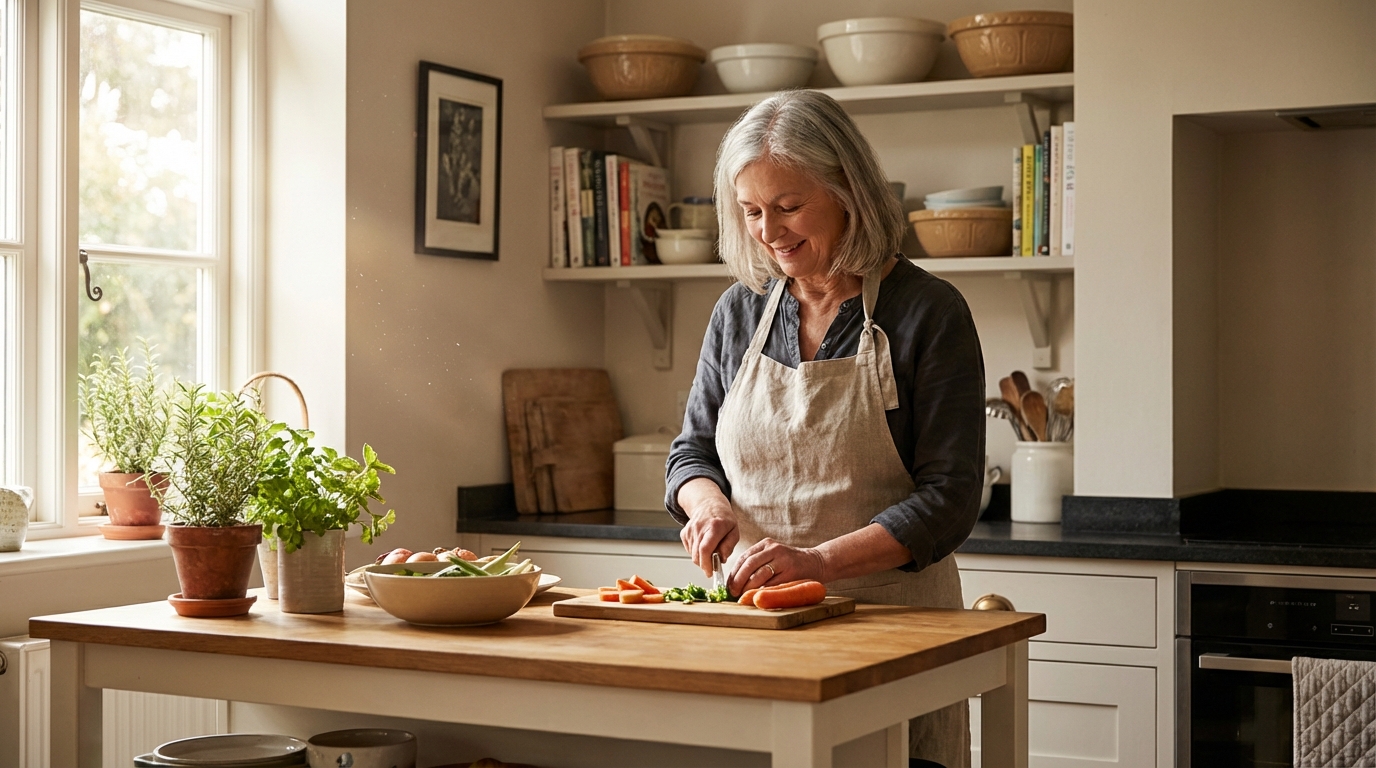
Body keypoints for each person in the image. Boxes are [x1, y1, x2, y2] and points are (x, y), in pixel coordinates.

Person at [665, 89, 986, 768]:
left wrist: (815, 565)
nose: (768, 231)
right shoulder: (739, 313)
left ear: (849, 191)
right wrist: (708, 504)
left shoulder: (928, 312)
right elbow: (691, 453)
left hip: (894, 634)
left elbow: (950, 500)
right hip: (760, 629)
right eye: (751, 211)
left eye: (788, 206)